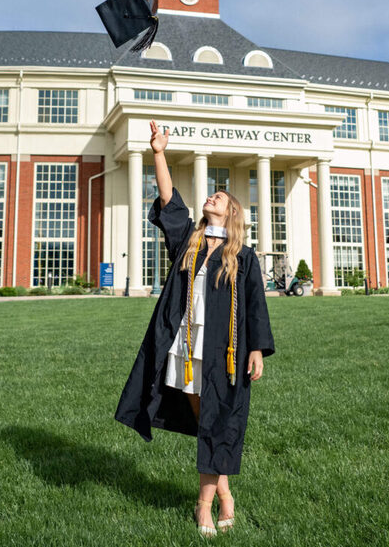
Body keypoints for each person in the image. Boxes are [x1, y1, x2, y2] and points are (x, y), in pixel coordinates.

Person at [115, 120, 275, 537]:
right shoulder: (188, 240)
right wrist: (158, 153)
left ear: (232, 212)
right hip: (184, 347)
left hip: (223, 350)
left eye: (219, 196)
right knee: (209, 425)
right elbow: (169, 200)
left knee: (216, 424)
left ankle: (205, 505)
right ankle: (225, 494)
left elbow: (256, 307)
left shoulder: (244, 257)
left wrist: (257, 349)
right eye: (211, 194)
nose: (211, 197)